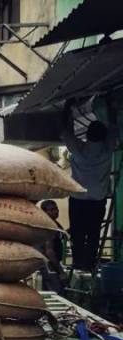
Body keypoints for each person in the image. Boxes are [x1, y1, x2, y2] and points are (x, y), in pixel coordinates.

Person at [62, 97, 118, 271]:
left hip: (78, 199)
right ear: (103, 136)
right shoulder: (107, 150)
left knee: (78, 234)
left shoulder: (78, 149)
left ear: (87, 135)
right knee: (93, 234)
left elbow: (67, 131)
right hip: (97, 200)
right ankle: (89, 264)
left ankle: (78, 264)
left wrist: (68, 109)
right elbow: (114, 129)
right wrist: (109, 106)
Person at [38, 200, 67, 293]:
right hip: (48, 266)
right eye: (51, 210)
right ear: (44, 212)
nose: (55, 211)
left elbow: (63, 234)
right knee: (56, 292)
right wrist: (61, 271)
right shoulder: (47, 226)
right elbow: (49, 251)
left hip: (50, 264)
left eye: (56, 209)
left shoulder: (55, 224)